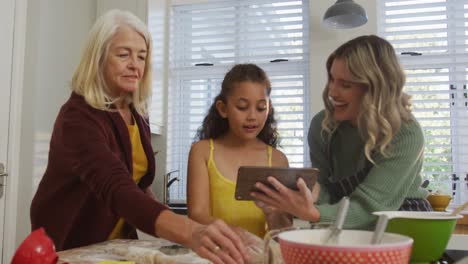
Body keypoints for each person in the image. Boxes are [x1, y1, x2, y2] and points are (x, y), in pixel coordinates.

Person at [30, 9, 249, 264]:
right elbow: (117, 188)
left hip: (114, 244)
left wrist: (180, 231)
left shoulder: (136, 113)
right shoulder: (77, 119)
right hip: (70, 241)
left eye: (142, 57)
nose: (136, 65)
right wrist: (190, 231)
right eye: (124, 55)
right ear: (98, 58)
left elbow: (139, 187)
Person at [251, 35, 432, 230]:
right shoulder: (322, 126)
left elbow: (371, 206)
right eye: (332, 80)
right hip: (348, 222)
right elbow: (329, 194)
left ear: (376, 89)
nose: (332, 92)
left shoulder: (406, 134)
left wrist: (313, 213)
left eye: (345, 85)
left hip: (405, 224)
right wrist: (308, 193)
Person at [187, 64, 291, 238]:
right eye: (242, 107)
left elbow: (283, 230)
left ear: (269, 108)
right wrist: (238, 235)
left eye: (260, 108)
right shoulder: (203, 152)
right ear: (223, 108)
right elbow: (197, 214)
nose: (252, 116)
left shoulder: (278, 160)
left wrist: (274, 215)